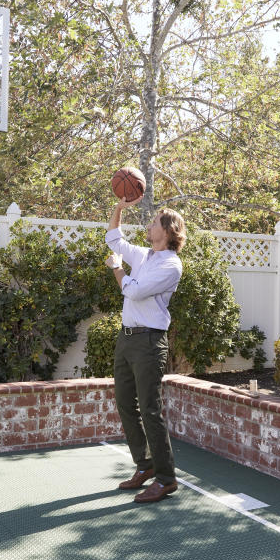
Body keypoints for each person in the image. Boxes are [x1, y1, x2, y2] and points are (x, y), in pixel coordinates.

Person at [105, 179, 186, 504]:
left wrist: (117, 270)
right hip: (126, 340)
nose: (149, 225)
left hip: (150, 343)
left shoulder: (170, 265)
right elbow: (113, 238)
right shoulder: (143, 256)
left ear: (167, 231)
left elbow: (134, 291)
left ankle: (166, 479)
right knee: (125, 404)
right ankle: (145, 465)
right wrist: (119, 208)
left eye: (154, 222)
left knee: (150, 410)